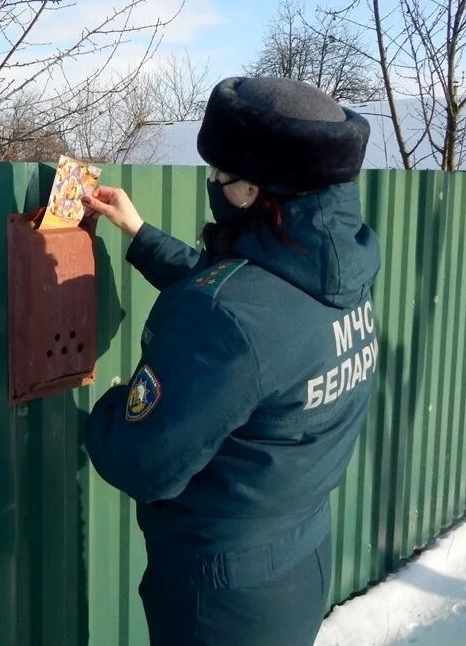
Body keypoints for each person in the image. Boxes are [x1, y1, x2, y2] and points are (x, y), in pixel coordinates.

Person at [82, 76, 381, 646]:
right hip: (299, 558)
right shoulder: (336, 272)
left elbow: (142, 463)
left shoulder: (229, 313)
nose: (214, 188)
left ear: (253, 190)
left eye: (220, 176)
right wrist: (141, 234)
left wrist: (116, 404)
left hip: (220, 602)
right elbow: (257, 317)